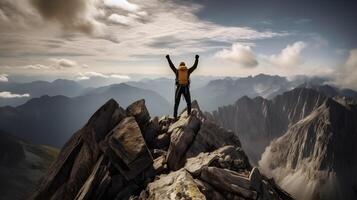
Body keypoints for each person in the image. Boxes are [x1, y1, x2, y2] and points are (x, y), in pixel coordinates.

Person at [165, 54, 199, 119]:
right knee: (188, 102)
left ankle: (175, 116)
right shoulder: (188, 71)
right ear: (185, 65)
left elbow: (171, 65)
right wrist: (196, 59)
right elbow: (194, 66)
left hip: (179, 88)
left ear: (180, 66)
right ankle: (189, 115)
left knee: (176, 103)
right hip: (186, 88)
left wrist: (168, 58)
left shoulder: (177, 71)